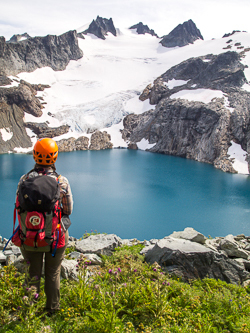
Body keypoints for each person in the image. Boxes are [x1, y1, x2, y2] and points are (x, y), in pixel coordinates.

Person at [16, 137, 73, 314]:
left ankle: (29, 312)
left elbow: (18, 206)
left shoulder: (24, 179)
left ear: (35, 155)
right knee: (53, 273)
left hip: (29, 238)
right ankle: (52, 311)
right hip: (55, 239)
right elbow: (68, 209)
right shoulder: (61, 181)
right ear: (54, 157)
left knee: (31, 275)